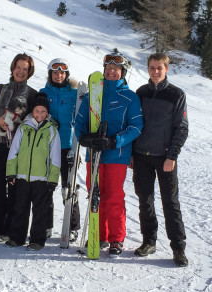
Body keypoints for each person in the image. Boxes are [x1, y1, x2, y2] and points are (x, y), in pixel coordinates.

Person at [75, 52, 143, 257]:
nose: (112, 71)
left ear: (122, 73)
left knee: (113, 196)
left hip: (116, 155)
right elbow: (79, 122)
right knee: (95, 193)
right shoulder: (92, 94)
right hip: (94, 154)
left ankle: (116, 238)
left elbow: (136, 126)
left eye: (116, 69)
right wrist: (83, 138)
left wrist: (115, 141)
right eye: (109, 68)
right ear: (104, 70)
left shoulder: (130, 97)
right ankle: (99, 235)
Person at [132, 53, 189, 267]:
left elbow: (181, 128)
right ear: (148, 68)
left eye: (159, 68)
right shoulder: (141, 93)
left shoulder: (176, 94)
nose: (155, 71)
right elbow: (134, 124)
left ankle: (178, 249)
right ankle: (149, 241)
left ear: (167, 69)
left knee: (170, 204)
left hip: (165, 158)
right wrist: (131, 154)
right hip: (141, 156)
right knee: (144, 201)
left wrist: (171, 156)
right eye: (152, 67)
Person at [0, 53, 38, 241]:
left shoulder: (33, 94)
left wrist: (18, 125)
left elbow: (36, 119)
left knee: (15, 188)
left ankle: (12, 228)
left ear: (29, 72)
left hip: (19, 148)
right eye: (18, 67)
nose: (20, 71)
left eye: (25, 69)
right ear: (13, 68)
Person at [5, 94, 61, 250]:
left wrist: (53, 179)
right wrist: (11, 173)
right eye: (37, 111)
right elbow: (14, 152)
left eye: (43, 111)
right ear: (32, 112)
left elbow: (55, 157)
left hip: (41, 179)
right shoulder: (24, 127)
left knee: (40, 211)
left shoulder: (51, 130)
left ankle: (37, 240)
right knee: (20, 208)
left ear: (47, 113)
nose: (40, 114)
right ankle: (17, 238)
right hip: (22, 176)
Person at [39, 58, 81, 242]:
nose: (58, 75)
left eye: (62, 72)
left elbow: (82, 116)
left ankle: (72, 227)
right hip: (47, 146)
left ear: (66, 74)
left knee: (69, 188)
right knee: (46, 187)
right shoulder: (42, 93)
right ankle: (46, 225)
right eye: (55, 72)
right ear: (50, 74)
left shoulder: (74, 94)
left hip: (68, 146)